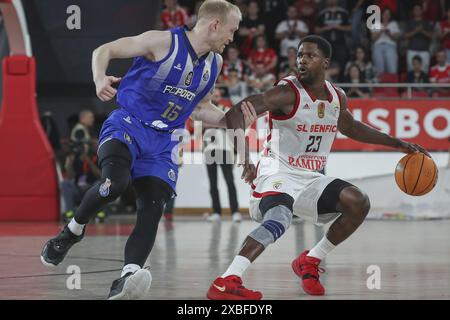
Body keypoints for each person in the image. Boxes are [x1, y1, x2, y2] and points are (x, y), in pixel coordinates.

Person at [40, 0, 257, 300]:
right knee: (115, 184)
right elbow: (103, 50)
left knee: (153, 207)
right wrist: (100, 77)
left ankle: (128, 275)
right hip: (129, 123)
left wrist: (231, 119)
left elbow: (200, 109)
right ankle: (73, 230)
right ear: (215, 25)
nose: (232, 38)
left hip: (164, 140)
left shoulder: (214, 64)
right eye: (231, 31)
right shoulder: (164, 42)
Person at [207, 35, 429, 300]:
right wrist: (246, 160)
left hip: (311, 178)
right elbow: (234, 115)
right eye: (299, 54)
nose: (302, 60)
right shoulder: (286, 92)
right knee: (280, 217)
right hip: (277, 172)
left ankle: (310, 260)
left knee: (358, 202)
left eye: (310, 55)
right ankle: (228, 279)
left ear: (326, 62)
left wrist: (398, 143)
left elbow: (352, 127)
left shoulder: (336, 97)